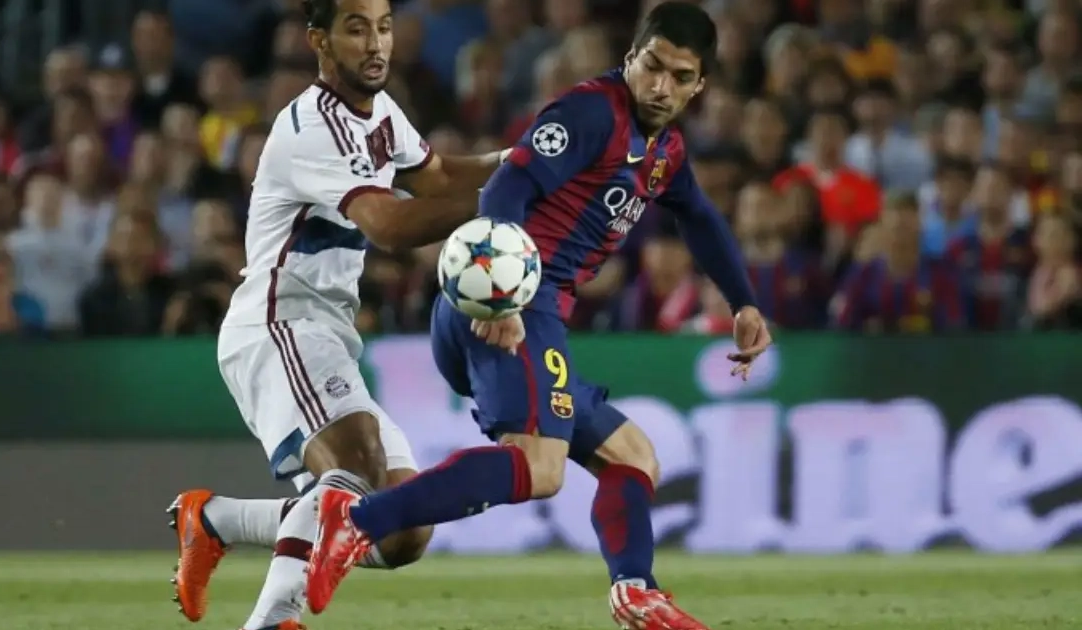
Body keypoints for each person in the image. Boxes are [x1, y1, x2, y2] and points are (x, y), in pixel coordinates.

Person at [305, 4, 772, 630]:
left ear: (699, 85)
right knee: (539, 467)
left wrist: (743, 301)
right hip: (513, 301)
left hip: (527, 308)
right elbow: (507, 189)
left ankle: (636, 590)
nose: (660, 86)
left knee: (633, 457)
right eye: (652, 66)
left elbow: (700, 218)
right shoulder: (591, 113)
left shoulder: (665, 151)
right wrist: (506, 297)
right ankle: (359, 521)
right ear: (631, 58)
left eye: (679, 76)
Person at [167, 1, 512, 629]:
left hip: (325, 329)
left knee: (402, 526)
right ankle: (273, 619)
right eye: (356, 29)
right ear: (318, 41)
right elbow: (390, 224)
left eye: (383, 27)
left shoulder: (377, 111)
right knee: (357, 469)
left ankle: (215, 520)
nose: (376, 43)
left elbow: (435, 176)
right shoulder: (312, 126)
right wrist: (502, 200)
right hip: (279, 322)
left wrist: (523, 165)